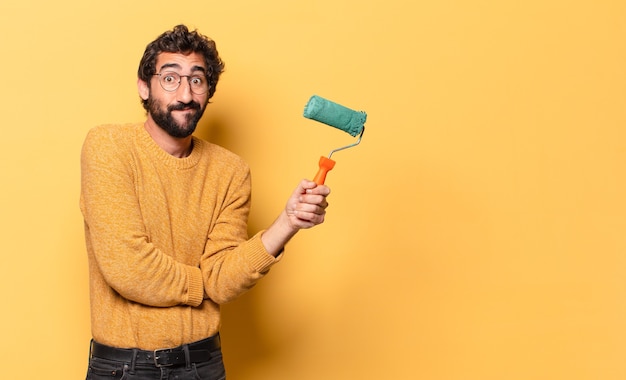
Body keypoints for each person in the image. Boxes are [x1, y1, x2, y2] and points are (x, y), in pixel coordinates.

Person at [80, 24, 330, 380]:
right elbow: (128, 268)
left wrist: (287, 223)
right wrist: (203, 285)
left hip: (202, 364)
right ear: (143, 86)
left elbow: (225, 279)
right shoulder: (109, 147)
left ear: (208, 90)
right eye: (170, 78)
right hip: (124, 366)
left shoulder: (230, 171)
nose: (185, 93)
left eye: (197, 80)